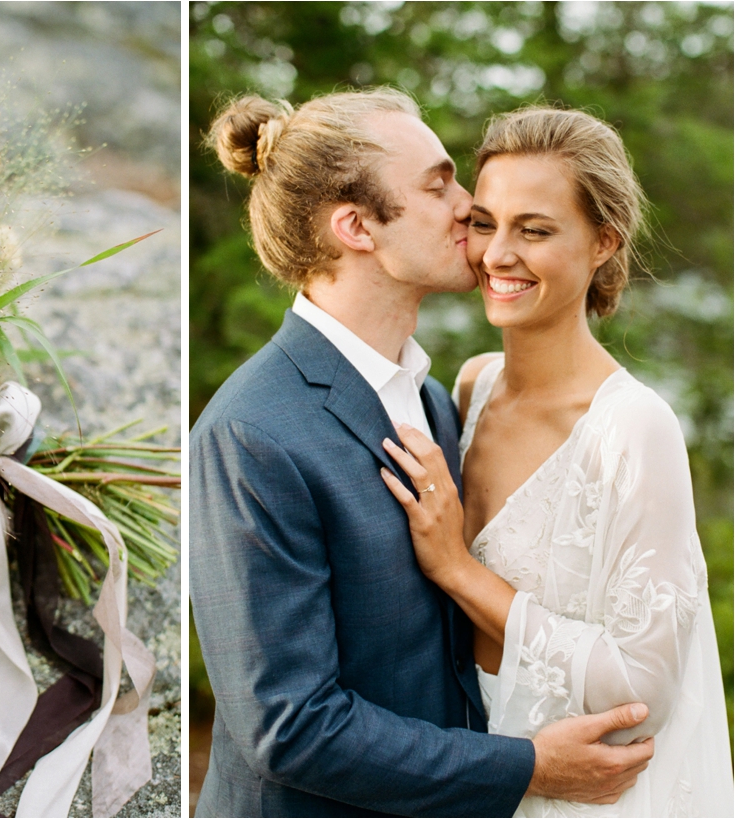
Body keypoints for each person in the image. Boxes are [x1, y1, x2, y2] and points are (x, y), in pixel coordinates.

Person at [190, 88, 655, 818]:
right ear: (356, 227)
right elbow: (288, 727)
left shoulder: (440, 399)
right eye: (438, 185)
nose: (469, 205)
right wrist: (528, 766)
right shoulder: (251, 432)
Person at [379, 106, 734, 817]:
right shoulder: (470, 387)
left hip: (588, 797)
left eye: (534, 230)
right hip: (473, 774)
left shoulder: (634, 428)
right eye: (484, 222)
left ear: (603, 240)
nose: (496, 254)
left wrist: (457, 567)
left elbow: (641, 688)